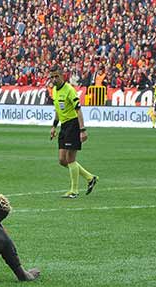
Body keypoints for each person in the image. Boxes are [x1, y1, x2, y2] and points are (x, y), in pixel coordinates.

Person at [48, 65, 97, 199]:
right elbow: (58, 110)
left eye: (56, 76)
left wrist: (82, 130)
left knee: (70, 159)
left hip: (73, 124)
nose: (54, 79)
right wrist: (54, 126)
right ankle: (90, 177)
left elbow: (78, 110)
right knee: (62, 160)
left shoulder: (69, 90)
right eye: (52, 77)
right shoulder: (54, 90)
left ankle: (74, 191)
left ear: (62, 76)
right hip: (64, 126)